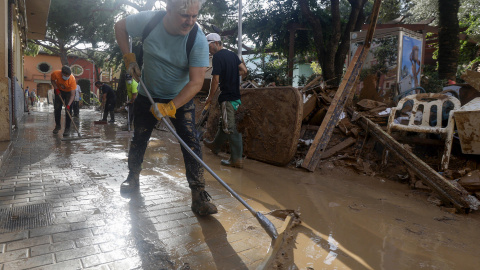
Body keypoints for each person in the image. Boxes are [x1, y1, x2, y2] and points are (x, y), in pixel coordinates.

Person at [114, 0, 217, 216]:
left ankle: (199, 195)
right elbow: (120, 26)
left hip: (180, 98)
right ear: (168, 10)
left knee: (191, 142)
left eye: (194, 16)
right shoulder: (149, 20)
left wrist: (170, 106)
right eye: (184, 15)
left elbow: (196, 83)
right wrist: (129, 57)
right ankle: (132, 178)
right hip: (147, 95)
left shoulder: (196, 40)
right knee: (140, 137)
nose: (190, 21)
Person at [203, 33, 248, 169]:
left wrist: (210, 97)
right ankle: (215, 146)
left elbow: (215, 79)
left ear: (217, 43)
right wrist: (232, 73)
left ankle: (236, 159)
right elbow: (244, 70)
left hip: (227, 97)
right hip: (236, 97)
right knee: (225, 122)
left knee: (230, 127)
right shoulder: (233, 55)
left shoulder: (217, 57)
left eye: (210, 46)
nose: (209, 50)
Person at [51, 66, 77, 136]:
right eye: (65, 75)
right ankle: (58, 126)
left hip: (69, 93)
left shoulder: (72, 80)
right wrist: (56, 88)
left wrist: (68, 105)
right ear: (61, 73)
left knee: (68, 111)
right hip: (59, 91)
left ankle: (67, 129)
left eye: (68, 75)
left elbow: (72, 95)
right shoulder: (55, 74)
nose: (66, 77)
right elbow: (52, 80)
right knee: (57, 108)